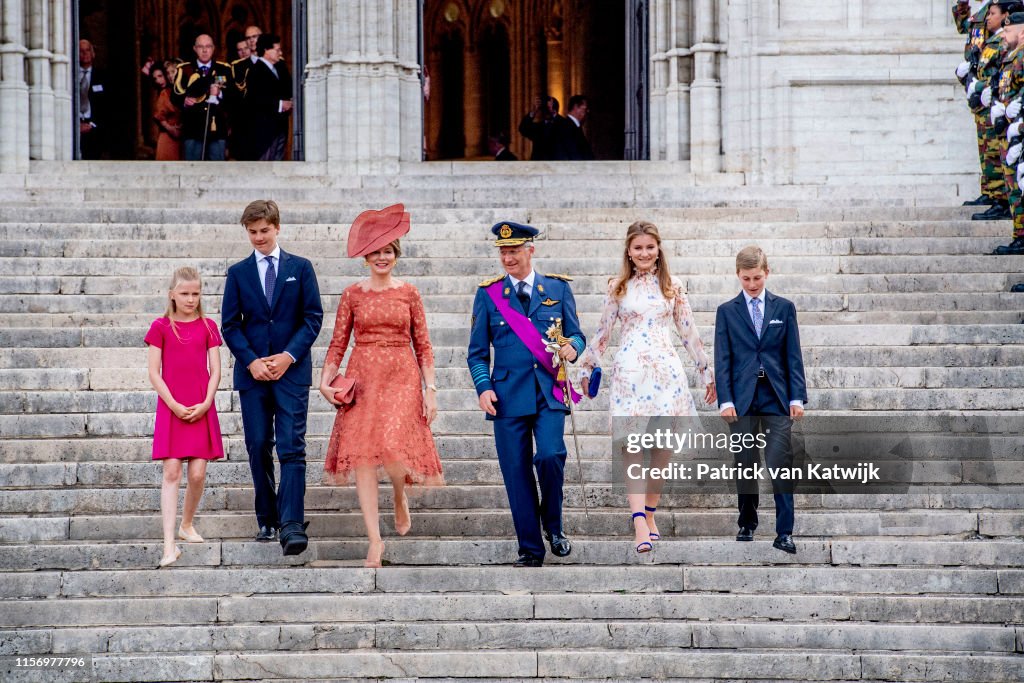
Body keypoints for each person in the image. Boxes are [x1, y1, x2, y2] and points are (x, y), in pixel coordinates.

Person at [319, 204, 444, 568]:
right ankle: (375, 540)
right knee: (361, 457)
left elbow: (424, 344)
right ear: (366, 257)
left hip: (402, 376)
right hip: (364, 378)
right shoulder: (352, 294)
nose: (382, 257)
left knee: (391, 448)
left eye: (388, 251)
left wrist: (430, 389)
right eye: (375, 252)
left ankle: (400, 494)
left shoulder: (409, 293)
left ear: (396, 255)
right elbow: (338, 342)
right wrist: (324, 379)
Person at [578, 221, 715, 554]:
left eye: (649, 247)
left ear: (658, 249)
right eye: (638, 247)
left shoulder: (673, 286)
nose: (644, 253)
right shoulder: (617, 288)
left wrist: (706, 371)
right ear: (628, 250)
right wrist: (586, 365)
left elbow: (688, 332)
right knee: (633, 450)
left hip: (666, 375)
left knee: (661, 453)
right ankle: (639, 522)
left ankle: (650, 512)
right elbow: (602, 333)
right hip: (629, 374)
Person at [467, 222, 586, 567]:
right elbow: (476, 352)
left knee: (550, 456)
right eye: (503, 252)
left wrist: (572, 350)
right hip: (506, 396)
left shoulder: (557, 289)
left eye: (514, 251)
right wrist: (483, 386)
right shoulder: (488, 295)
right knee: (516, 474)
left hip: (549, 391)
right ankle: (530, 549)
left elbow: (577, 336)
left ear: (530, 250)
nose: (508, 257)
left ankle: (554, 525)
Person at [221, 200, 323, 555]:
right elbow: (230, 326)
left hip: (291, 372)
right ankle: (267, 515)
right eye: (252, 232)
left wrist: (287, 355)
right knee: (258, 442)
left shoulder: (301, 267)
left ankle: (292, 523)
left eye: (265, 231)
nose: (259, 238)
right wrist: (251, 362)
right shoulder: (238, 273)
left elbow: (312, 318)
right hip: (253, 376)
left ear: (277, 228)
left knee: (293, 446)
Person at [715, 246, 807, 555]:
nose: (752, 284)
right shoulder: (727, 312)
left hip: (776, 396)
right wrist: (725, 400)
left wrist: (797, 397)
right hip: (741, 399)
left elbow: (793, 355)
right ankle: (747, 520)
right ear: (737, 276)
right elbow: (723, 359)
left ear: (767, 273)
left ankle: (785, 532)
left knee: (781, 462)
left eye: (757, 278)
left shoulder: (784, 309)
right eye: (746, 279)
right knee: (745, 462)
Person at [145, 267, 224, 568]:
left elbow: (215, 369)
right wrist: (174, 405)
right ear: (172, 295)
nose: (191, 299)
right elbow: (154, 372)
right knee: (172, 473)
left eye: (196, 293)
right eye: (185, 293)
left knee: (198, 474)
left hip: (201, 405)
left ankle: (186, 523)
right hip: (172, 406)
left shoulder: (207, 326)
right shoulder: (161, 326)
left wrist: (206, 402)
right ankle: (169, 545)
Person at [966, 1, 1021, 220]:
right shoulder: (999, 45)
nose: (988, 18)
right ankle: (995, 195)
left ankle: (1000, 200)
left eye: (992, 14)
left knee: (1005, 163)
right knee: (991, 153)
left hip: (1011, 117)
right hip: (994, 109)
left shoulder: (1010, 50)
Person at [956, 2, 995, 206]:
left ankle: (998, 196)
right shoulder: (979, 9)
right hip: (976, 80)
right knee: (984, 142)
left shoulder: (996, 9)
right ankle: (989, 191)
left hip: (988, 81)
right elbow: (963, 26)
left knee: (992, 143)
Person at [991, 12, 1024, 255]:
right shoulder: (1012, 58)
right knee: (1014, 187)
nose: (1004, 34)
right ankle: (1019, 234)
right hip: (1010, 132)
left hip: (1019, 132)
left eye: (1009, 30)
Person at [171, 34, 233, 161]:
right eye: (200, 47)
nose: (205, 50)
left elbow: (234, 97)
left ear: (213, 48)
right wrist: (184, 100)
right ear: (195, 48)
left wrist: (219, 94)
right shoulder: (184, 69)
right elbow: (174, 96)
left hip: (217, 129)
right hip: (193, 128)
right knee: (192, 171)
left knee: (217, 170)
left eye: (208, 46)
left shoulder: (224, 69)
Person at [245, 34, 293, 161]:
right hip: (264, 132)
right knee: (265, 167)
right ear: (266, 50)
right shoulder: (255, 71)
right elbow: (255, 100)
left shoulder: (280, 68)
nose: (280, 53)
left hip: (280, 127)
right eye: (277, 50)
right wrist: (280, 104)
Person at [78, 39, 108, 160]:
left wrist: (93, 124)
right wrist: (76, 125)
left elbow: (107, 105)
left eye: (87, 50)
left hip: (94, 127)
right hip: (75, 124)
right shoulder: (69, 75)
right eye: (81, 51)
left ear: (93, 53)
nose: (84, 54)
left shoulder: (103, 76)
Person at [151, 64, 182, 161]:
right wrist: (171, 129)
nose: (158, 81)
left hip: (180, 137)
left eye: (160, 76)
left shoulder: (174, 91)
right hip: (168, 137)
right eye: (155, 78)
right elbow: (160, 116)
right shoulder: (164, 93)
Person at [517, 95, 562, 160]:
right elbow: (523, 128)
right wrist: (533, 111)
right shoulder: (539, 127)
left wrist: (553, 111)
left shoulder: (563, 124)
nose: (545, 109)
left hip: (556, 165)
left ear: (555, 108)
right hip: (538, 165)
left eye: (548, 105)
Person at [554, 95, 594, 160]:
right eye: (585, 109)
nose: (587, 111)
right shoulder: (565, 127)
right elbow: (574, 155)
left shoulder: (574, 127)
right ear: (576, 107)